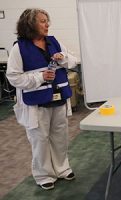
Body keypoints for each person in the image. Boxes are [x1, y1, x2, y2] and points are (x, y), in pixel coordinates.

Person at [6, 8, 77, 190]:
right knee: (39, 139)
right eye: (43, 21)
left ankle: (62, 168)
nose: (47, 24)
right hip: (36, 103)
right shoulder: (19, 48)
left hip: (59, 99)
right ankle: (44, 174)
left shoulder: (54, 42)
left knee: (60, 136)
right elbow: (13, 77)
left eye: (47, 20)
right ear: (30, 24)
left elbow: (73, 61)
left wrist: (63, 58)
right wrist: (40, 78)